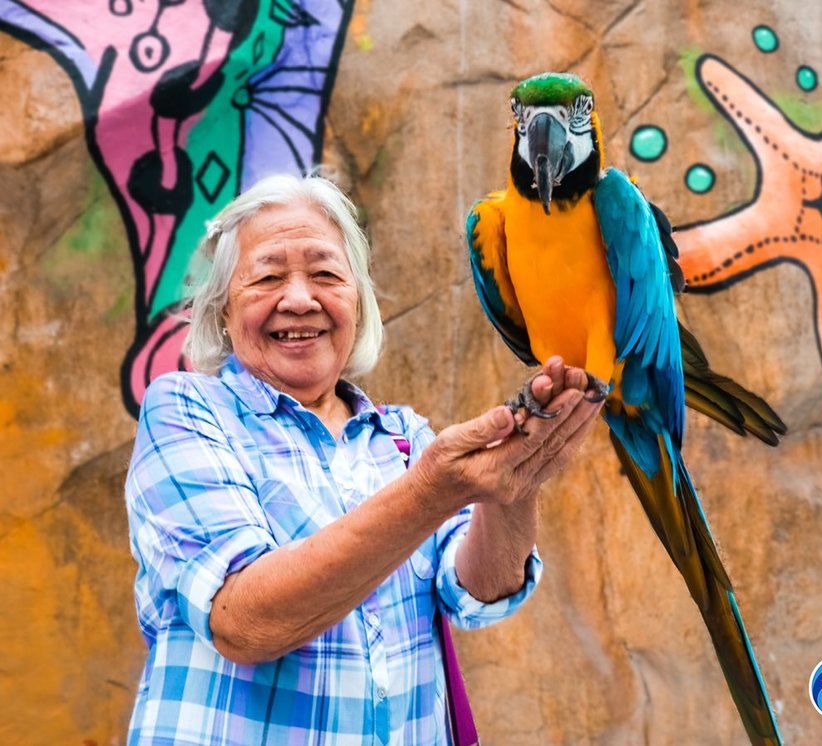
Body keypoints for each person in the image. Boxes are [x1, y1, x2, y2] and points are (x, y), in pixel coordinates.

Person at [124, 172, 604, 745]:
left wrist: (516, 481)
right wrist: (431, 492)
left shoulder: (403, 437)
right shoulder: (187, 410)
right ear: (223, 309)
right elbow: (243, 623)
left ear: (357, 302)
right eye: (268, 276)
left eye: (326, 275)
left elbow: (480, 594)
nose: (299, 300)